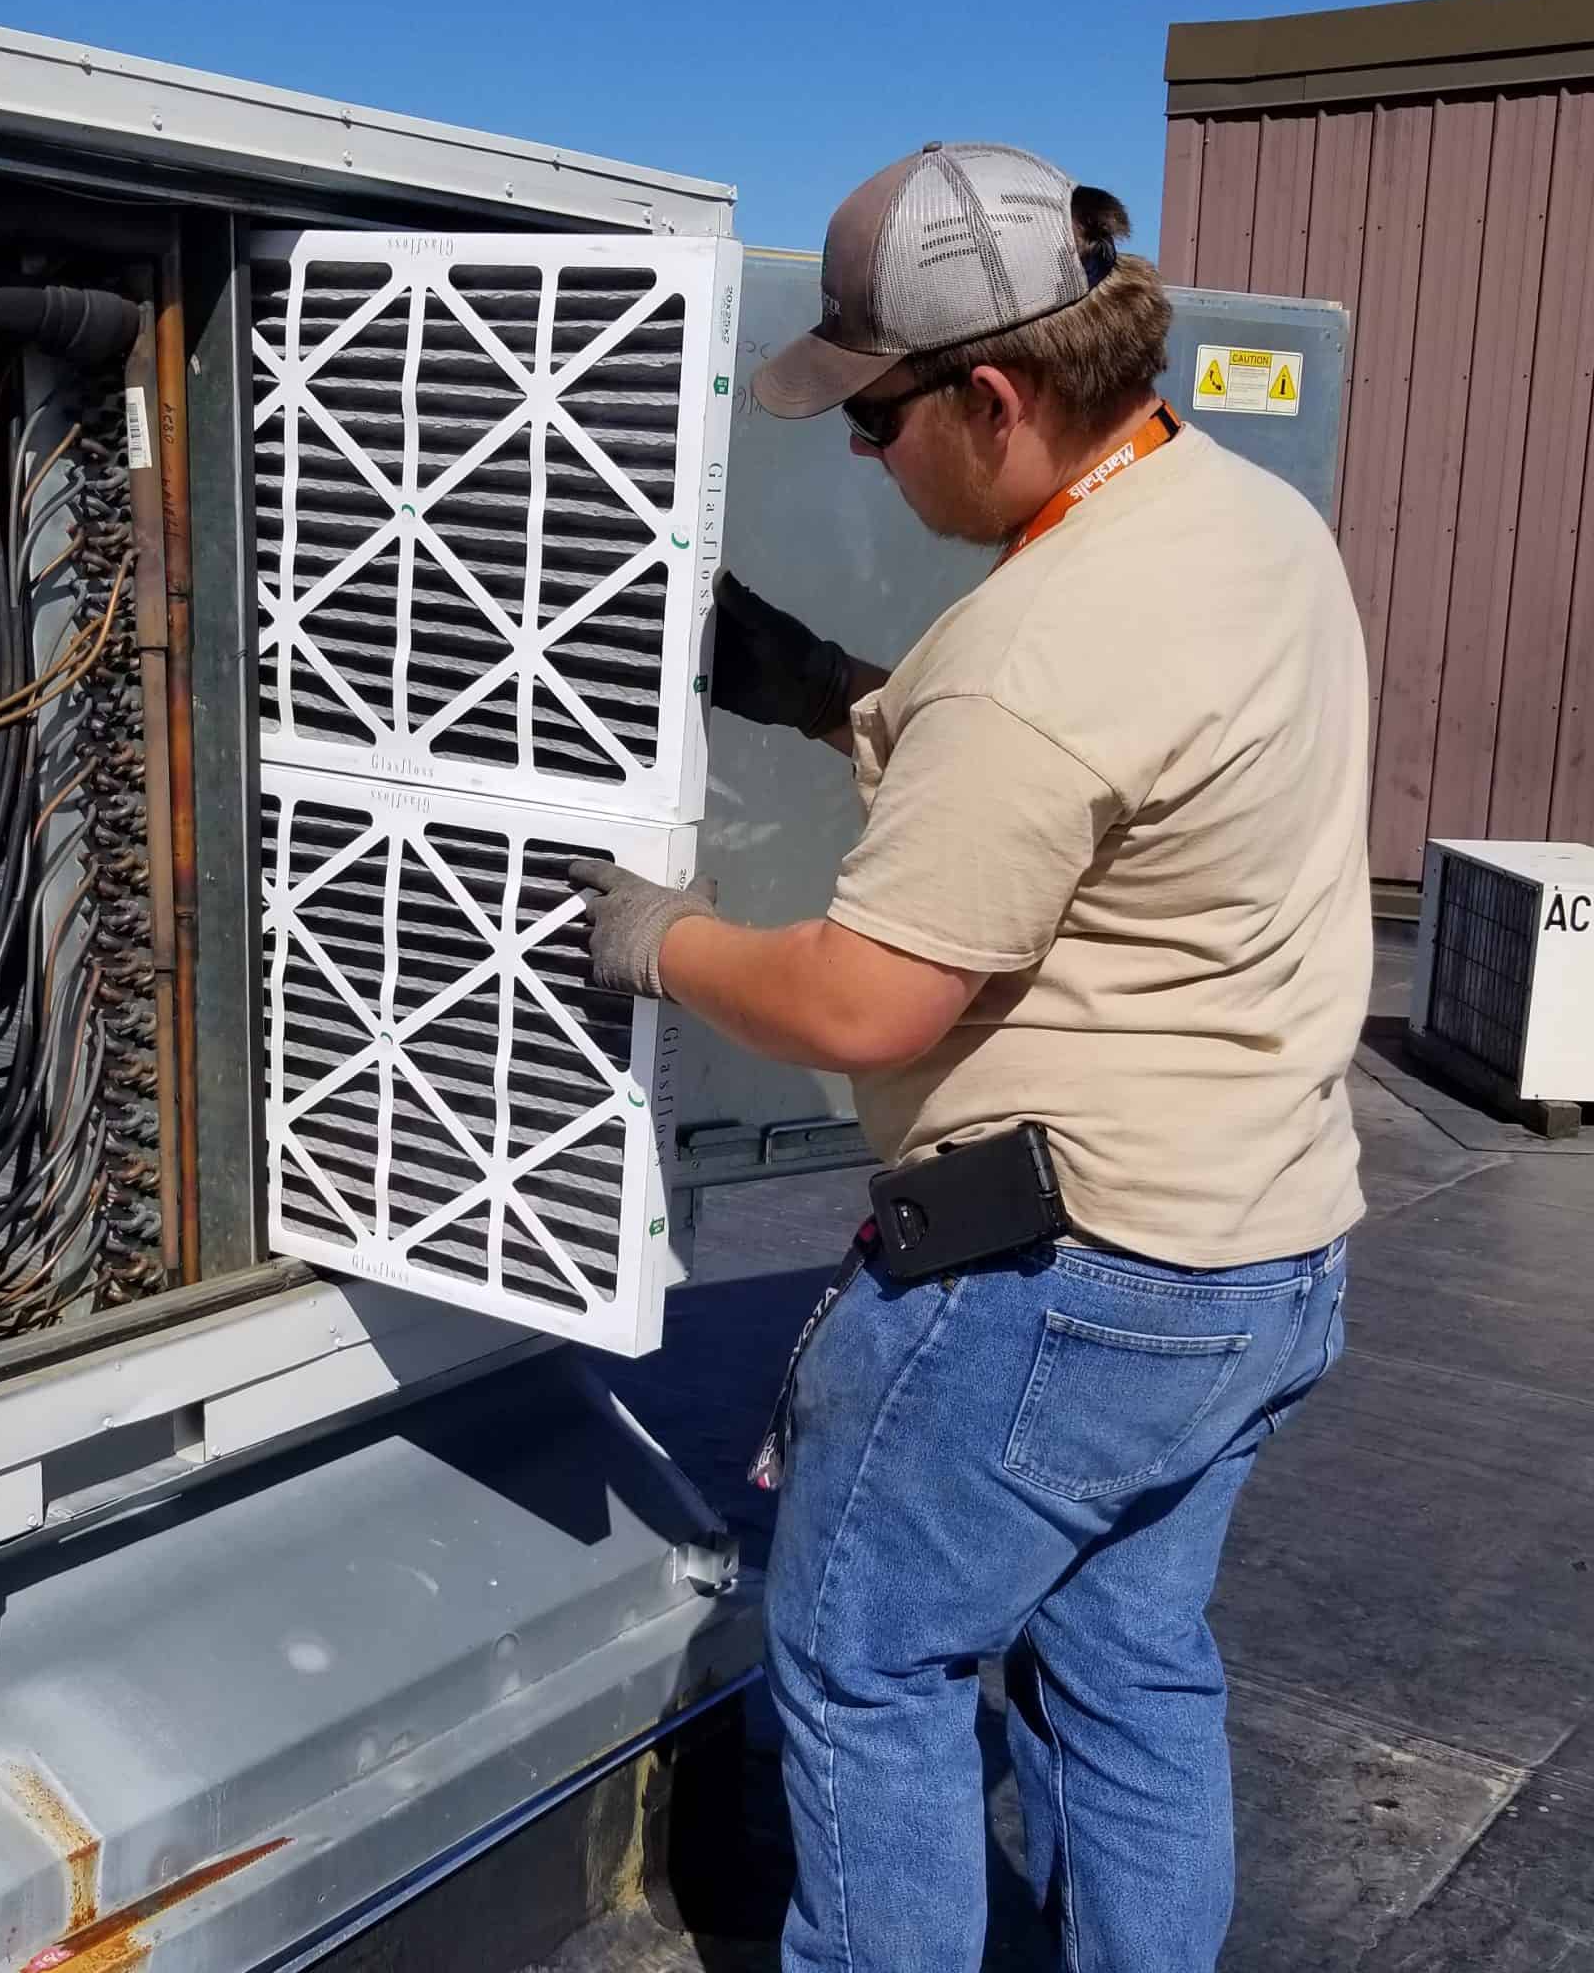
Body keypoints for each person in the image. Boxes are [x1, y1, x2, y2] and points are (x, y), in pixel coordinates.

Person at [570, 143, 1371, 1972]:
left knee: (867, 1667)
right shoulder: (1244, 522)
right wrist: (830, 690)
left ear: (993, 397)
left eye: (877, 418)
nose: (865, 455)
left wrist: (658, 940)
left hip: (1063, 1290)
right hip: (1263, 1252)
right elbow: (1110, 786)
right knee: (1128, 1667)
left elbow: (867, 1002)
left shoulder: (1034, 650)